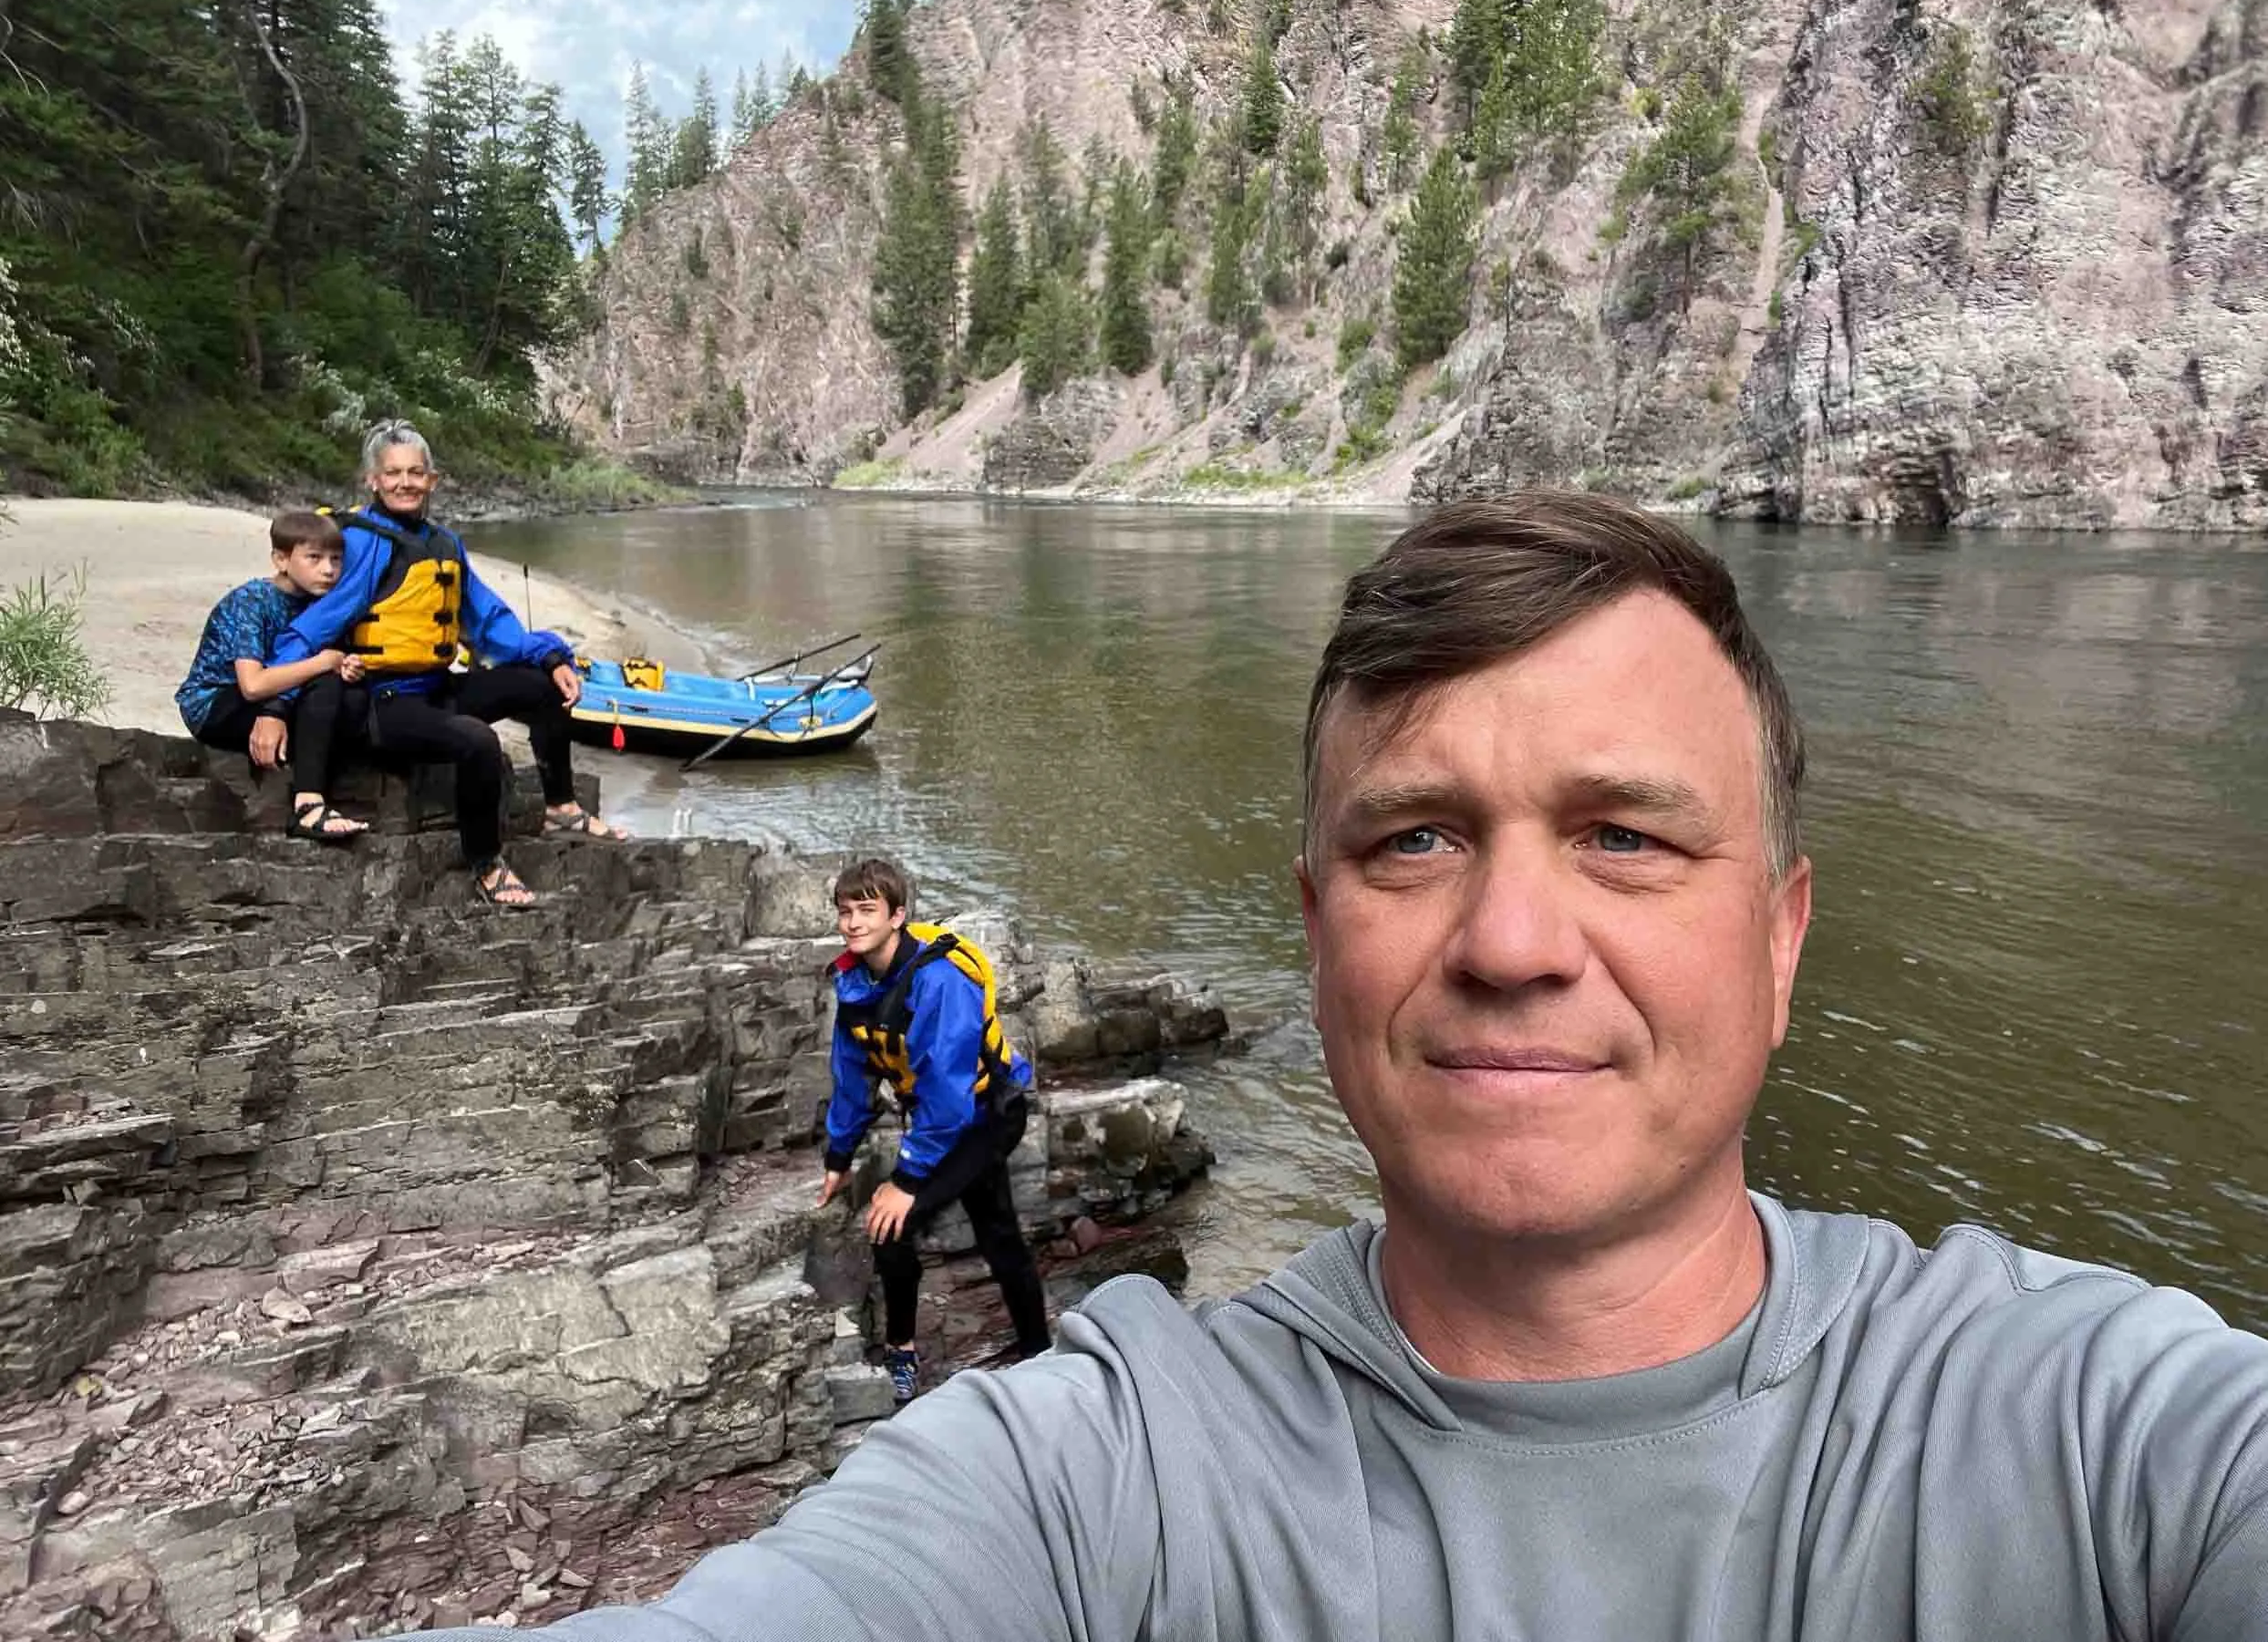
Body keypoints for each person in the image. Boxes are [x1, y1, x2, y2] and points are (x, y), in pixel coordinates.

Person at [414, 491, 2268, 1640]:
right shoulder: (1095, 1481)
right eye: (1414, 839)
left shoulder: (2110, 1437)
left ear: (1778, 940)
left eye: (1626, 835)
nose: (1512, 938)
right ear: (1316, 936)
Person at [267, 419, 621, 908]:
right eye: (393, 473)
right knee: (478, 741)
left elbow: (488, 621)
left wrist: (552, 655)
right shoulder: (362, 543)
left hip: (437, 688)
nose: (405, 483)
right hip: (383, 703)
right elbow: (311, 628)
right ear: (372, 480)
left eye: (416, 473)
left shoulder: (445, 543)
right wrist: (276, 706)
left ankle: (561, 806)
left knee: (545, 686)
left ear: (433, 479)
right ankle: (487, 864)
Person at [819, 858, 1051, 1405]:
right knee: (995, 1227)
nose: (853, 923)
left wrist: (906, 1180)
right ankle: (1034, 1348)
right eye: (846, 912)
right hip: (945, 1120)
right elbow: (852, 1076)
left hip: (989, 1115)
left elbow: (947, 1095)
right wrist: (839, 1155)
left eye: (867, 910)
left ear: (897, 916)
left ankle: (1024, 1353)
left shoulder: (939, 981)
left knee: (894, 1223)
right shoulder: (854, 983)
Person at [174, 509, 370, 842]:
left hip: (281, 696)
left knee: (353, 699)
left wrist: (346, 666)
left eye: (336, 560)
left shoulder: (322, 604)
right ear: (281, 559)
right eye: (314, 558)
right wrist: (325, 663)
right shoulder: (251, 601)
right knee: (324, 683)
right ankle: (308, 804)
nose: (328, 570)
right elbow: (252, 685)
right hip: (217, 702)